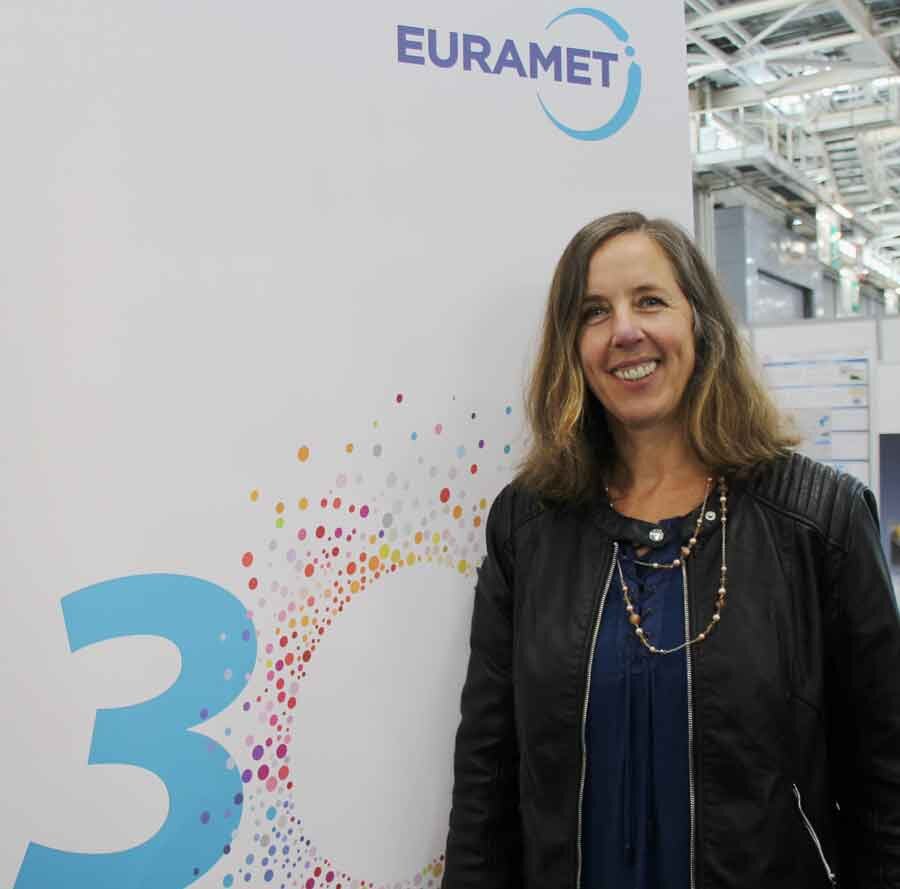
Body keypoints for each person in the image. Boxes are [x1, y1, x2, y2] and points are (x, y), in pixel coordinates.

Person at [441, 211, 900, 888]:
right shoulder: (527, 526)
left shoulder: (819, 519)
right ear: (572, 347)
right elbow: (487, 776)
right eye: (594, 312)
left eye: (650, 301)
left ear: (701, 323)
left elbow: (885, 786)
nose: (624, 330)